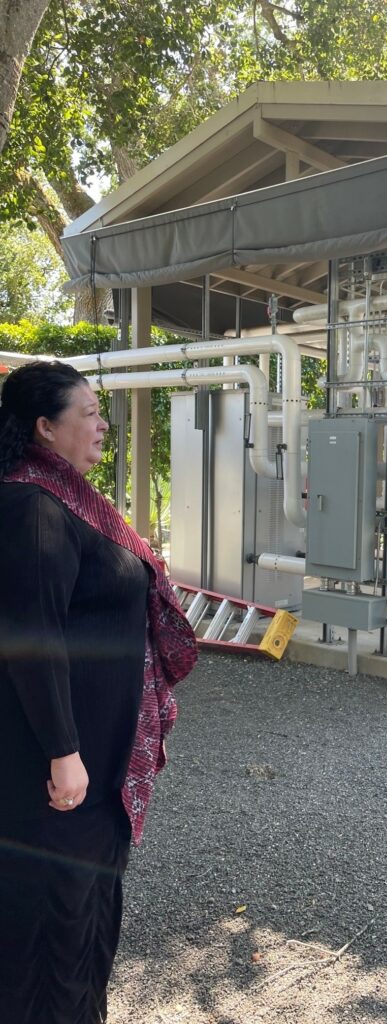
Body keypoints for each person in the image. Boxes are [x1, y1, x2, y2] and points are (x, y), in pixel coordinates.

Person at [0, 361, 198, 1024]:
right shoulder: (32, 505)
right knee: (51, 923)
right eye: (87, 412)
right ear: (45, 427)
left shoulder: (71, 499)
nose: (101, 424)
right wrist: (63, 750)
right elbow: (33, 636)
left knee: (85, 914)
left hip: (95, 762)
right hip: (56, 772)